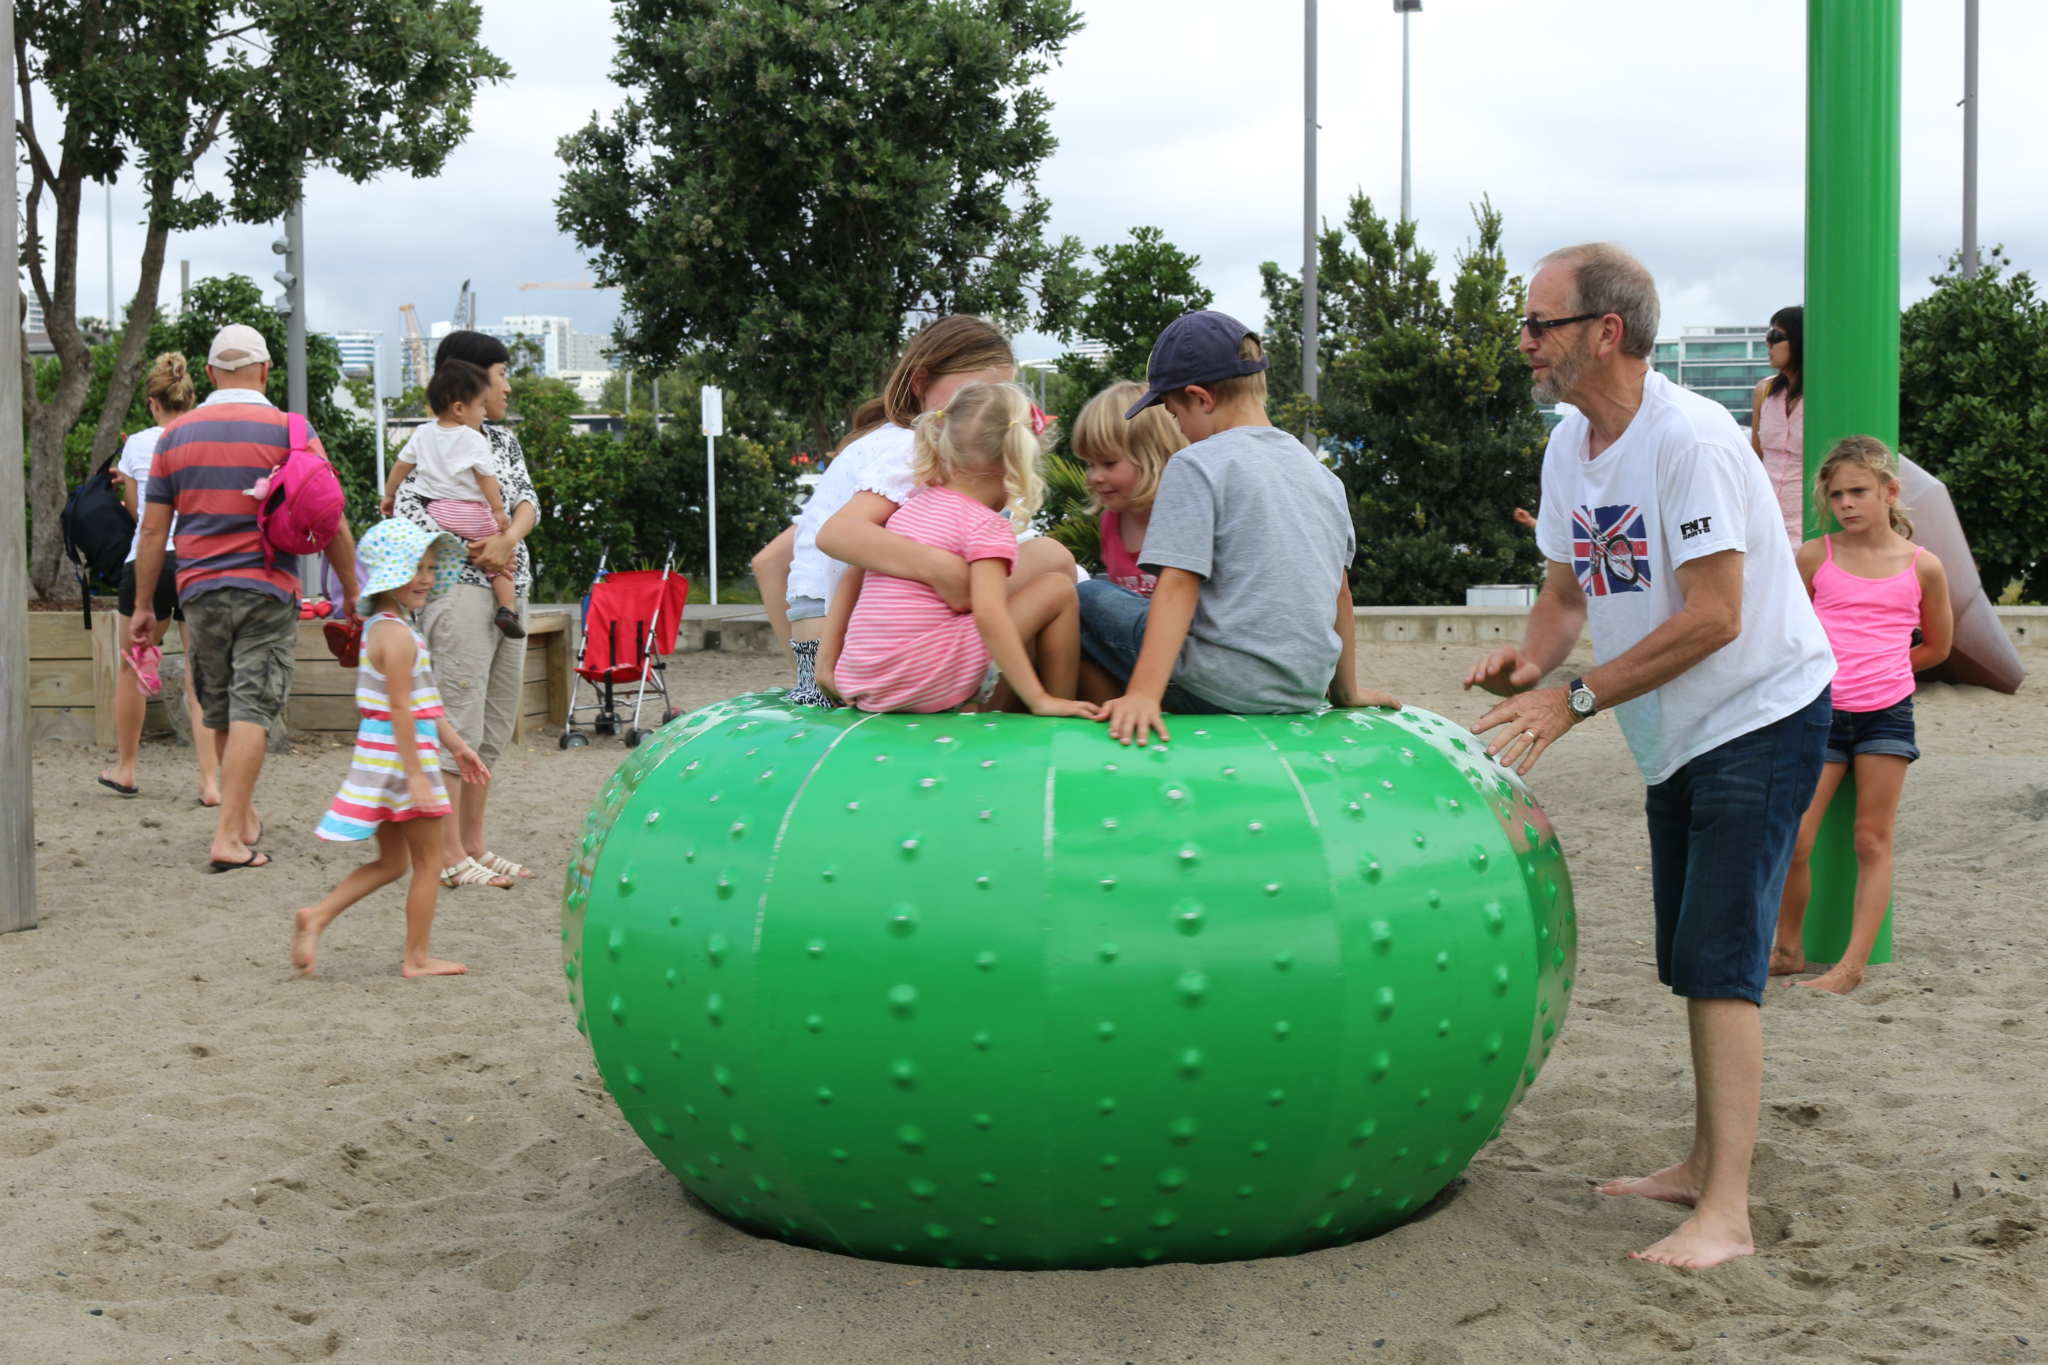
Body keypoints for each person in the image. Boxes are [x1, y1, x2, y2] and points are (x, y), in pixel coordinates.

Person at [1463, 243, 1835, 1269]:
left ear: (1605, 332)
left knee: (1722, 965)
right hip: (1675, 731)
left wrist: (1572, 699)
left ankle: (1727, 1213)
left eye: (1539, 324)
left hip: (1759, 713)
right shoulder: (1569, 447)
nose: (1524, 342)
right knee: (1690, 956)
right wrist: (1528, 663)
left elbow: (1716, 616)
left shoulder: (1691, 439)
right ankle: (1699, 1163)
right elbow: (1566, 592)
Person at [1076, 311, 1397, 746]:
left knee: (1086, 597)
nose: (1179, 428)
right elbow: (1339, 593)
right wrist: (1346, 693)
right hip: (1301, 690)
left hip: (1217, 686)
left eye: (1174, 414)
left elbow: (1179, 584)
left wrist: (1144, 695)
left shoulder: (1197, 463)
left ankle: (1101, 727)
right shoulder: (1324, 479)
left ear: (1200, 398)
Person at [130, 324, 361, 872]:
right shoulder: (292, 430)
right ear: (265, 371)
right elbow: (330, 516)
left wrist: (142, 606)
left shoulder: (173, 437)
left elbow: (152, 531)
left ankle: (243, 814)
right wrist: (350, 589)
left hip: (199, 591)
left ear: (211, 374)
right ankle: (228, 838)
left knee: (221, 709)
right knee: (253, 707)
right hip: (267, 587)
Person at [757, 316, 1076, 706]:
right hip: (874, 654)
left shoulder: (879, 445)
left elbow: (770, 561)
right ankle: (1018, 710)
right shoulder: (918, 449)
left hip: (839, 660)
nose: (989, 410)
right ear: (921, 383)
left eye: (1002, 395)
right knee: (1054, 561)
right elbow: (836, 534)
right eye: (975, 394)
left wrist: (815, 668)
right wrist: (943, 569)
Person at [1772, 436, 1950, 994]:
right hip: (1819, 714)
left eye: (1858, 492)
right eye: (1836, 495)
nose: (1846, 503)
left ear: (1889, 492)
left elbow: (1938, 647)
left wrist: (1887, 669)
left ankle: (1850, 968)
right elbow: (1788, 634)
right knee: (1795, 839)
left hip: (1886, 717)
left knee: (1871, 839)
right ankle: (1788, 950)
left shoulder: (1924, 567)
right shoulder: (1813, 557)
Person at [818, 382, 1102, 718]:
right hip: (924, 679)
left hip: (867, 681)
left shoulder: (909, 509)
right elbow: (989, 616)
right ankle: (1056, 712)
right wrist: (1039, 698)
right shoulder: (987, 526)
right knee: (1057, 590)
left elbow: (858, 573)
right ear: (1016, 467)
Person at [295, 521, 490, 977]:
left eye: (430, 568)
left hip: (379, 761)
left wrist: (457, 746)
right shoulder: (399, 635)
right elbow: (402, 710)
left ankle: (316, 917)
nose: (425, 578)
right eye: (414, 569)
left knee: (392, 862)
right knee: (429, 862)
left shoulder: (385, 627)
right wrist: (418, 777)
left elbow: (420, 705)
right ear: (389, 574)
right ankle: (417, 958)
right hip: (405, 765)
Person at [391, 331, 542, 890]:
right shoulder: (426, 440)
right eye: (500, 375)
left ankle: (473, 843)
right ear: (468, 382)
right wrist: (480, 547)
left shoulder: (502, 440)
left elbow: (526, 500)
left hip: (510, 589)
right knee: (457, 720)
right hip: (458, 592)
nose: (507, 386)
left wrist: (508, 540)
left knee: (493, 725)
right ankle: (449, 854)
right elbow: (407, 510)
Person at [98, 351, 219, 805]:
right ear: (191, 399)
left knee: (133, 667)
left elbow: (139, 514)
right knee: (198, 673)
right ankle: (209, 782)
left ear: (153, 403)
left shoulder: (137, 444)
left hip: (149, 563)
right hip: (198, 561)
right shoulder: (205, 438)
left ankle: (126, 769)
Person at [380, 360, 523, 639]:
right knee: (503, 559)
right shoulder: (473, 438)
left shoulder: (422, 433)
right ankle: (508, 608)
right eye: (481, 406)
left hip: (438, 512)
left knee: (447, 554)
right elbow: (486, 478)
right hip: (472, 513)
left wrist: (389, 494)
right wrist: (498, 511)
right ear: (459, 408)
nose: (484, 413)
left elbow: (401, 466)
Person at [1072, 379, 1187, 597]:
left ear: (1153, 458)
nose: (1095, 477)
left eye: (1109, 463)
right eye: (1090, 465)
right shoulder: (1110, 522)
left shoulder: (1187, 520)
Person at [1750, 306, 1805, 550]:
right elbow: (1755, 459)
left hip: (1809, 523)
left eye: (1775, 336)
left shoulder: (1824, 395)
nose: (1768, 344)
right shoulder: (1764, 390)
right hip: (1765, 521)